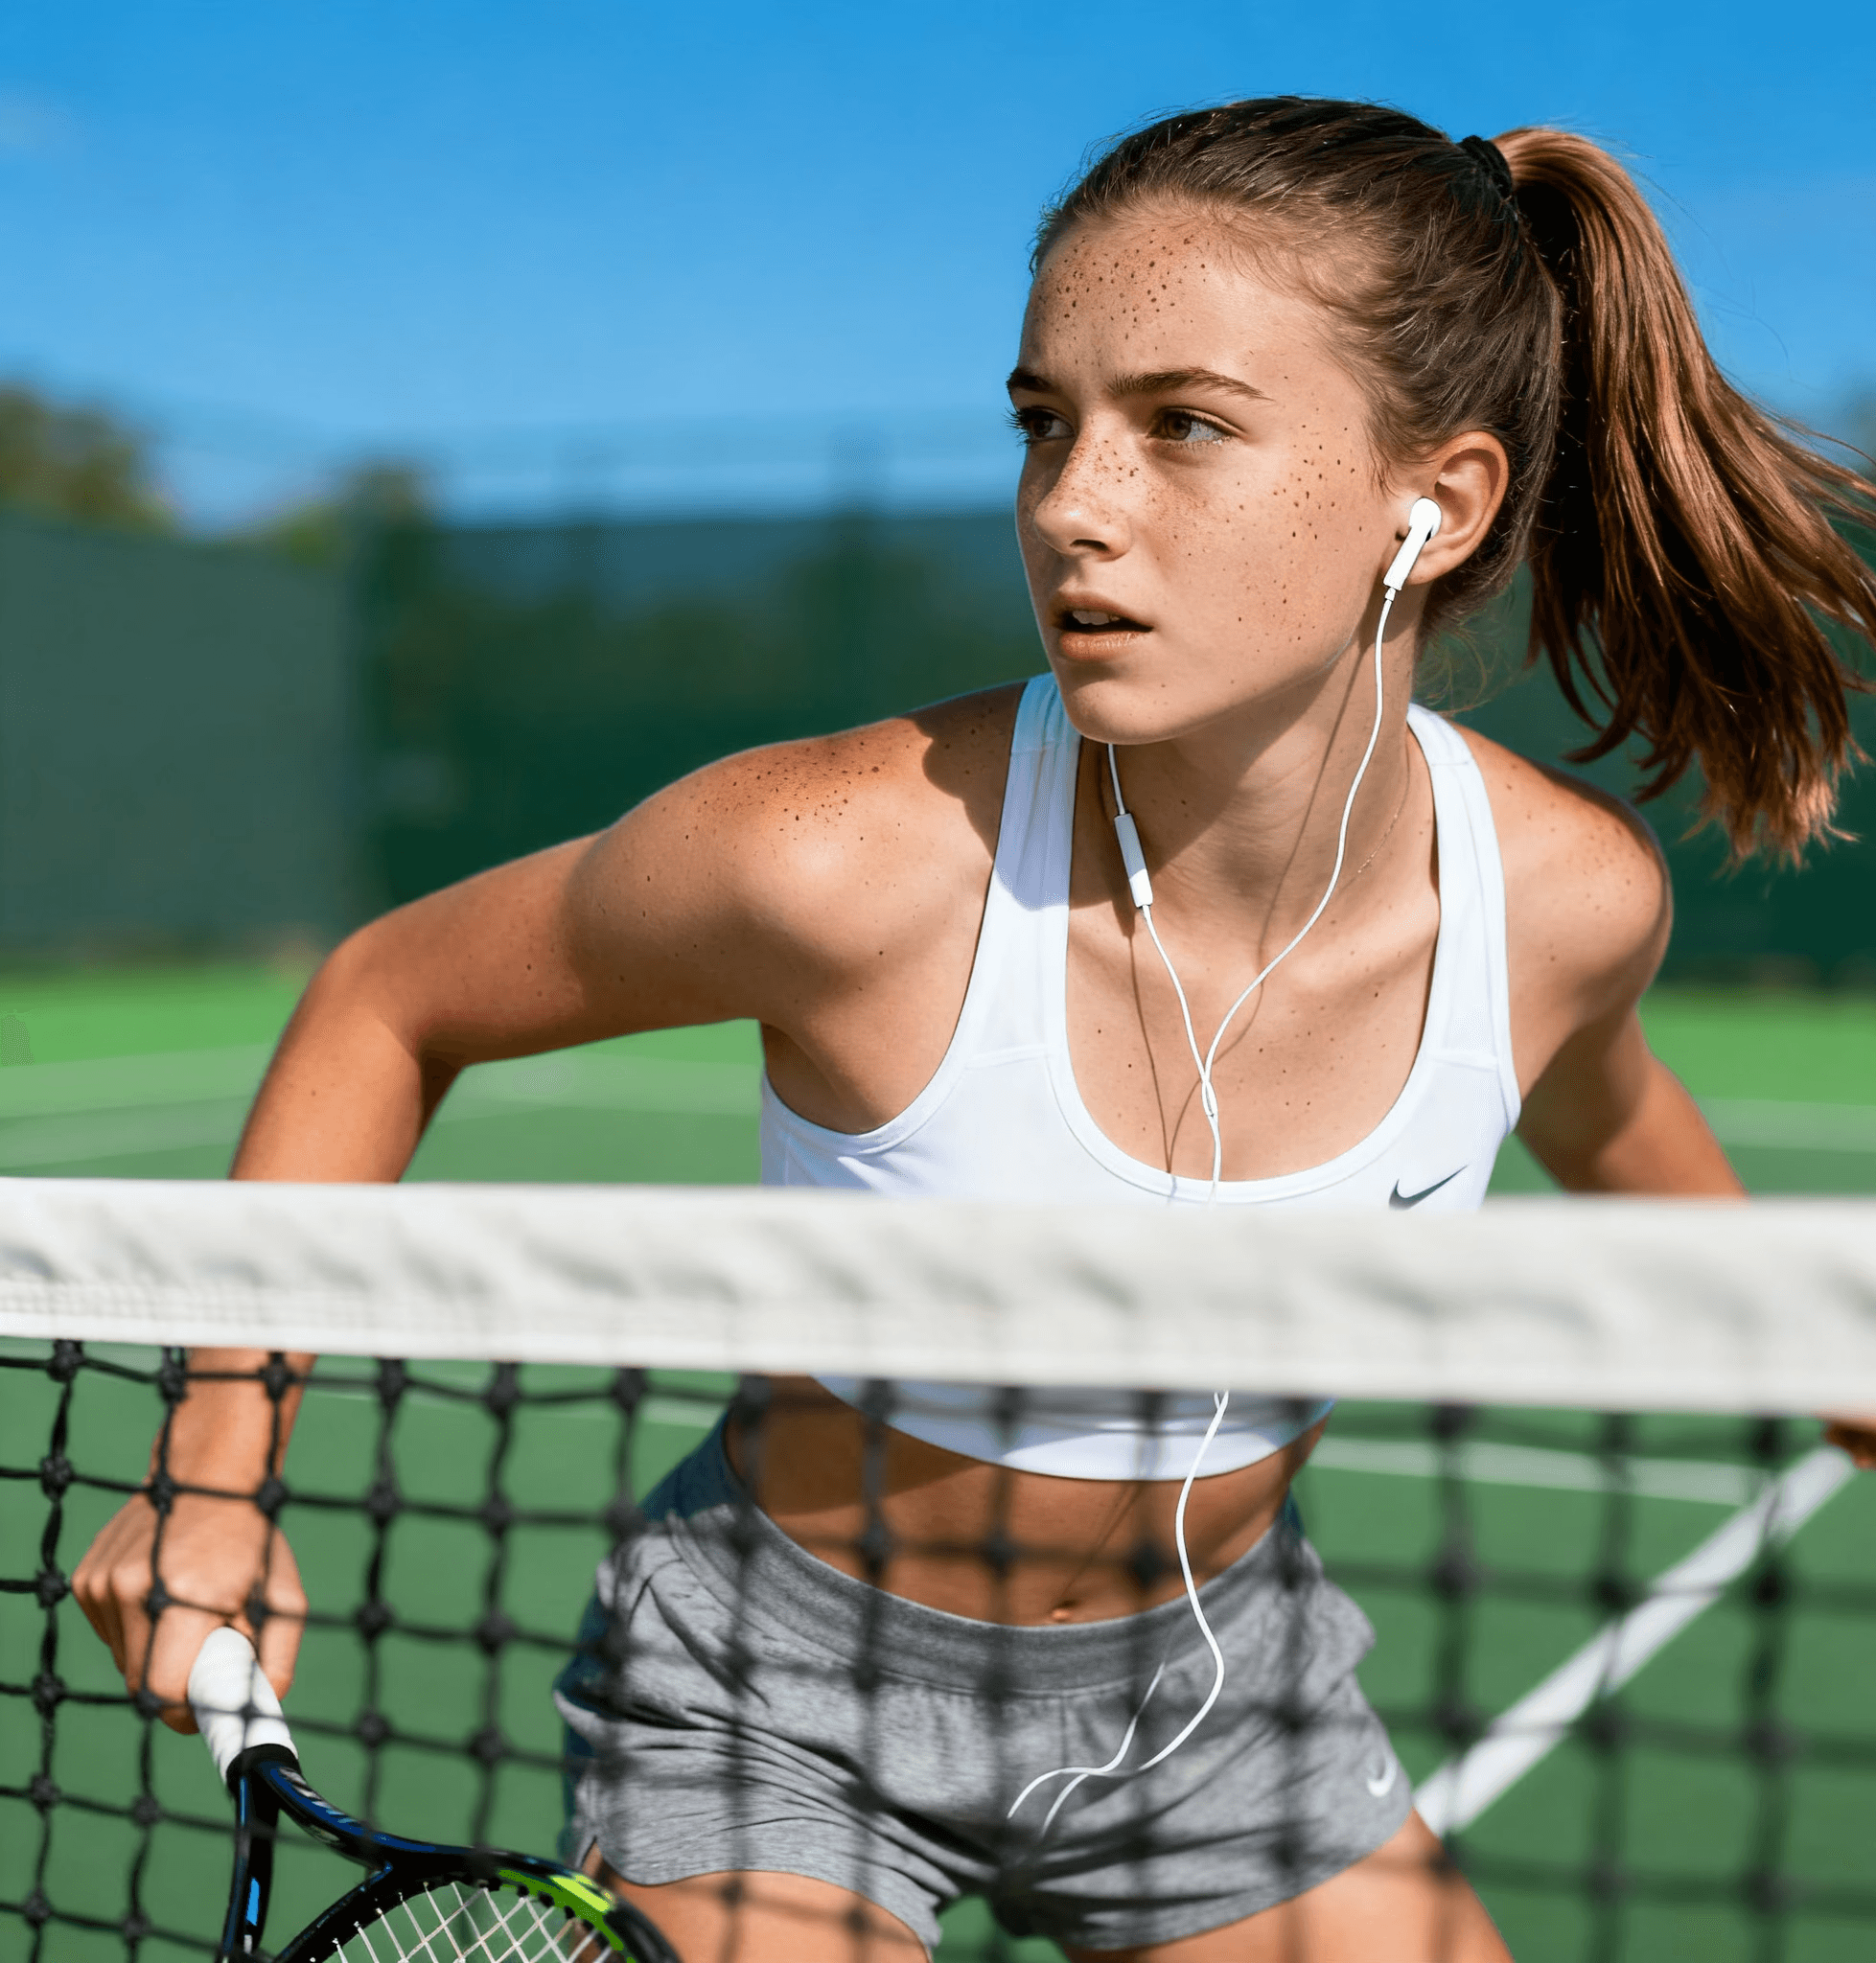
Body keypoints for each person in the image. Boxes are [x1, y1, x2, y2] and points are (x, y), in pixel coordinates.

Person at [76, 97, 1876, 1963]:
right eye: (1044, 422)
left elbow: (1612, 1116)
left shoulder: (1563, 905)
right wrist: (213, 1469)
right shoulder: (835, 862)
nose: (1072, 505)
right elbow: (390, 995)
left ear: (1442, 502)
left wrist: (1843, 1361)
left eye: (1181, 424)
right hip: (784, 1695)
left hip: (1219, 1693)